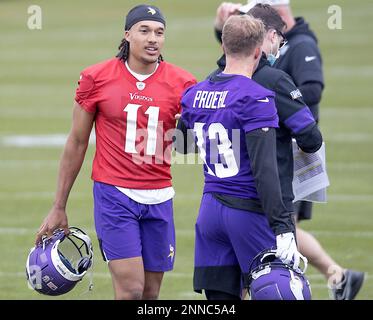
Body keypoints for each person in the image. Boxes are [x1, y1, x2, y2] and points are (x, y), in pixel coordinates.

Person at [35, 4, 196, 300]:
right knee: (131, 291)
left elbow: (190, 145)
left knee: (150, 293)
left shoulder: (183, 83)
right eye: (144, 30)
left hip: (160, 195)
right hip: (114, 195)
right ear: (127, 35)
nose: (153, 39)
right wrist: (59, 204)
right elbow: (77, 142)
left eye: (159, 32)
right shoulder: (97, 77)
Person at [213, 0, 365, 300]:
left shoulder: (300, 46)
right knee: (280, 229)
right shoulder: (258, 64)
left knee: (280, 228)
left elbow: (312, 89)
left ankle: (333, 275)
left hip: (290, 152)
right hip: (261, 158)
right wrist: (222, 29)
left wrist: (280, 101)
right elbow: (235, 56)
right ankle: (338, 275)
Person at [176, 14, 304, 300]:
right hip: (248, 212)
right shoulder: (257, 96)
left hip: (209, 212)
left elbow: (182, 146)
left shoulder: (194, 94)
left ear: (223, 46)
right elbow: (265, 170)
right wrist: (283, 227)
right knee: (281, 293)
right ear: (258, 51)